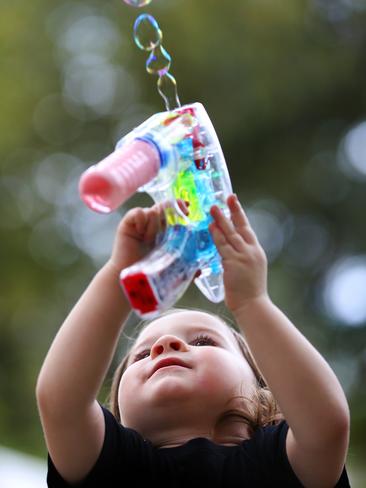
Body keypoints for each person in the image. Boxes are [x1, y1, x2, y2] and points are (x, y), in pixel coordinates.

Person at [36, 194, 351, 487]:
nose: (166, 345)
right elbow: (61, 402)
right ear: (117, 406)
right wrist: (122, 275)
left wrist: (252, 302)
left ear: (261, 387)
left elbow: (327, 425)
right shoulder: (109, 463)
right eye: (142, 354)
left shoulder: (283, 460)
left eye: (203, 342)